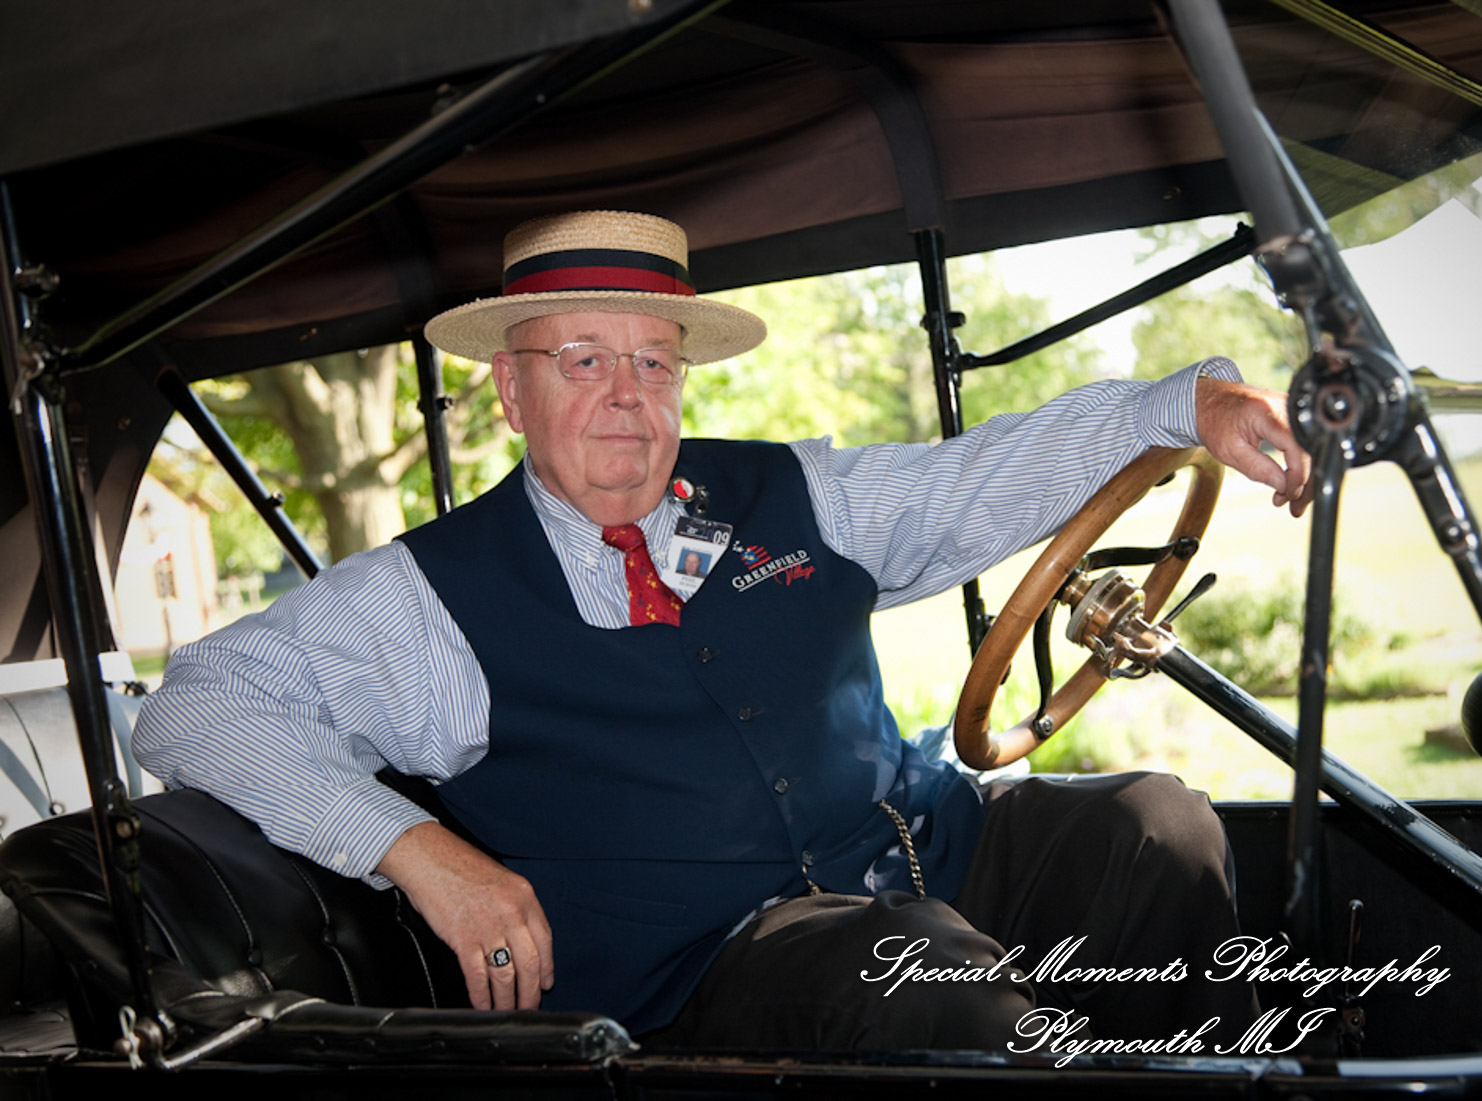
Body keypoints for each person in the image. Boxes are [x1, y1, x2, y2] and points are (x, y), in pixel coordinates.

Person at [134, 210, 1311, 1053]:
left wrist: (1179, 406)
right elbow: (199, 703)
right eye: (581, 359)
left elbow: (979, 480)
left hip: (921, 851)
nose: (625, 393)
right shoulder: (427, 596)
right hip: (706, 964)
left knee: (1156, 822)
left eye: (653, 361)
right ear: (510, 388)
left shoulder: (797, 495)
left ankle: (1209, 1080)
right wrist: (418, 852)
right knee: (919, 973)